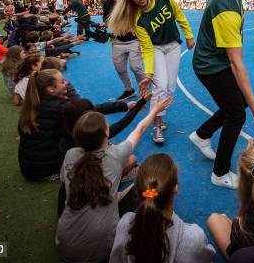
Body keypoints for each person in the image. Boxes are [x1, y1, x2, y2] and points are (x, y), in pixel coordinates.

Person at [188, 0, 254, 189]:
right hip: (210, 65)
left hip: (212, 61)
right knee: (238, 112)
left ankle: (202, 134)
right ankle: (220, 173)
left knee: (237, 103)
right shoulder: (228, 6)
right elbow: (236, 62)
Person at [56, 99, 171, 263]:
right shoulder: (115, 156)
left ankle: (119, 195)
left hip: (64, 246)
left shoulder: (70, 155)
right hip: (102, 254)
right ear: (107, 133)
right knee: (148, 187)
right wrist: (155, 110)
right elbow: (140, 129)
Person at [109, 0, 194, 144]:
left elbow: (179, 15)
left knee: (170, 87)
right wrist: (148, 75)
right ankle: (156, 125)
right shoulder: (138, 20)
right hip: (156, 49)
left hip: (173, 46)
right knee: (161, 86)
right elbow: (147, 49)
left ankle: (159, 117)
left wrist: (189, 35)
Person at [110, 153, 216, 263]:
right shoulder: (194, 237)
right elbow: (207, 257)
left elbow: (115, 258)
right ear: (175, 189)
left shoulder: (125, 223)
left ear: (139, 191)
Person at [104, 0, 146, 101]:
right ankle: (129, 90)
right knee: (120, 68)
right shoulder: (107, 3)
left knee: (136, 67)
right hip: (117, 41)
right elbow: (106, 20)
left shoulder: (131, 1)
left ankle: (144, 91)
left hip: (135, 40)